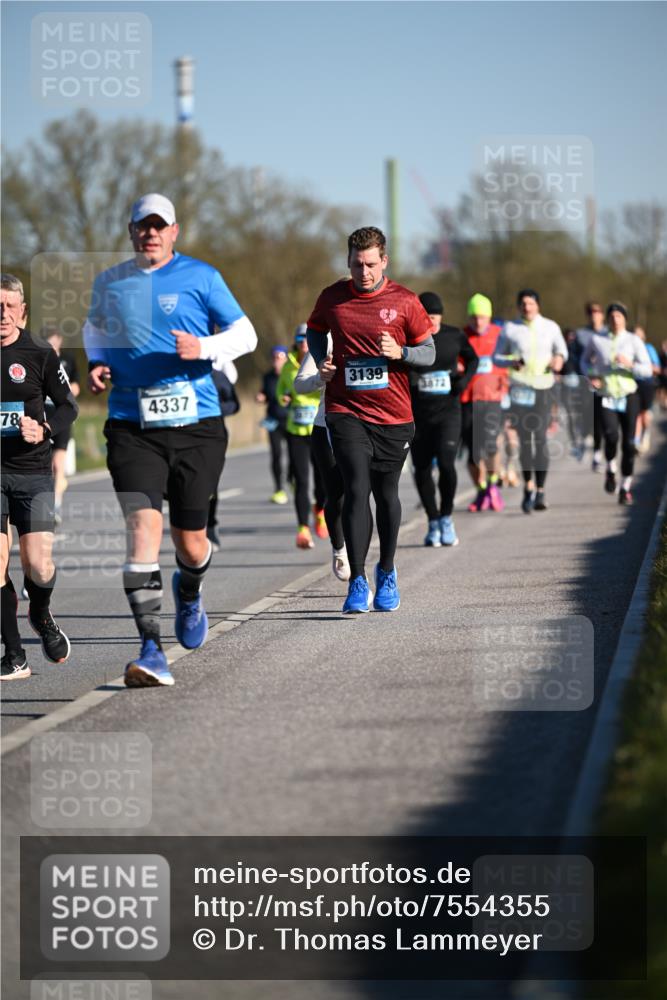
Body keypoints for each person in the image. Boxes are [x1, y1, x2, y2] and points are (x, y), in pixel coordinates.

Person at [84, 192, 257, 687]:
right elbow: (94, 329)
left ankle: (190, 590)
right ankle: (150, 648)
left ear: (175, 231)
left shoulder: (202, 277)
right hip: (132, 425)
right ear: (132, 231)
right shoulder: (110, 282)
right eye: (143, 225)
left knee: (192, 541)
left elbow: (246, 335)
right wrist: (97, 363)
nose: (151, 233)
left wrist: (203, 345)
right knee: (143, 529)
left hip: (197, 425)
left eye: (160, 226)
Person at [306, 226, 435, 614]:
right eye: (357, 264)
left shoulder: (406, 301)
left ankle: (388, 571)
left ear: (385, 262)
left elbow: (429, 352)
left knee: (386, 493)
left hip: (394, 415)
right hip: (345, 410)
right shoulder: (332, 298)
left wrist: (401, 352)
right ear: (347, 261)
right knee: (356, 487)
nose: (363, 272)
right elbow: (315, 331)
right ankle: (358, 581)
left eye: (371, 264)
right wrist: (321, 361)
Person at [1, 274, 78, 680]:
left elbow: (69, 407)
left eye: (10, 306)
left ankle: (41, 612)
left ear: (23, 311)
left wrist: (44, 428)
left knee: (38, 565)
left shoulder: (39, 353)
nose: (2, 314)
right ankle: (15, 656)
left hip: (32, 472)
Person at [410, 291, 477, 546]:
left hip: (449, 411)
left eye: (436, 317)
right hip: (419, 414)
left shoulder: (453, 335)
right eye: (428, 317)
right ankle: (433, 520)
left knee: (447, 465)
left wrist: (463, 383)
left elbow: (473, 359)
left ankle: (447, 517)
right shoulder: (411, 339)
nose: (433, 322)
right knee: (423, 469)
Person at [494, 289, 568, 513]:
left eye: (531, 303)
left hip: (544, 387)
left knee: (541, 439)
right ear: (519, 306)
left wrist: (558, 359)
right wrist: (511, 361)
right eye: (524, 304)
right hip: (520, 390)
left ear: (538, 305)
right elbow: (496, 357)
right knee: (525, 441)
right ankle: (528, 486)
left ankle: (541, 491)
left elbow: (562, 352)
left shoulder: (551, 327)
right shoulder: (510, 328)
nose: (527, 307)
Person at [581, 303, 652, 505]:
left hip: (629, 395)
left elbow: (647, 370)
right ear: (607, 319)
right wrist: (591, 375)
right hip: (606, 395)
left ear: (625, 319)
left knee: (629, 444)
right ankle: (611, 467)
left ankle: (626, 486)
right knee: (611, 435)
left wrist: (630, 364)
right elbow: (584, 362)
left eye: (619, 316)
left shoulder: (633, 340)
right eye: (611, 316)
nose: (615, 319)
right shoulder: (597, 339)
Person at [294, 334, 350, 581]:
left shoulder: (378, 328)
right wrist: (321, 377)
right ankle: (340, 548)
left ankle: (361, 563)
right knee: (335, 495)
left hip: (369, 425)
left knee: (360, 494)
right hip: (326, 426)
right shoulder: (326, 339)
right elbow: (300, 383)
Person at [275, 325, 325, 549]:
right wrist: (283, 398)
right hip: (296, 430)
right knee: (301, 480)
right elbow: (281, 390)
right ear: (294, 341)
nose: (303, 342)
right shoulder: (288, 365)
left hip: (318, 427)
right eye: (299, 338)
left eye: (307, 338)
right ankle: (303, 528)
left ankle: (320, 509)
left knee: (323, 480)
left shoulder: (322, 359)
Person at [460, 294, 508, 513]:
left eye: (482, 317)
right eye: (474, 318)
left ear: (489, 317)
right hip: (468, 399)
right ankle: (481, 489)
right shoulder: (463, 336)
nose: (478, 322)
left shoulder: (500, 336)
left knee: (489, 444)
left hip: (492, 398)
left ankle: (493, 484)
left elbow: (510, 362)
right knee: (472, 452)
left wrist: (506, 387)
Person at [43, 327, 80, 524]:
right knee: (47, 465)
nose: (54, 343)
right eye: (49, 340)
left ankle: (55, 505)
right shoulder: (39, 358)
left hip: (62, 416)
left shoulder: (68, 360)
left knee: (59, 464)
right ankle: (49, 500)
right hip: (44, 415)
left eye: (56, 340)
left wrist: (65, 388)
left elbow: (77, 386)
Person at [206, 358, 240, 552]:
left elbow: (234, 405)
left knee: (211, 483)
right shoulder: (176, 376)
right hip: (184, 436)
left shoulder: (217, 376)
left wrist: (213, 411)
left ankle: (210, 525)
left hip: (215, 434)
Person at [256, 345, 290, 504]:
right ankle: (279, 489)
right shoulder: (268, 377)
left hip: (291, 420)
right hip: (273, 420)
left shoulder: (291, 374)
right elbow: (266, 392)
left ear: (286, 359)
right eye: (275, 357)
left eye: (280, 357)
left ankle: (293, 479)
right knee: (276, 455)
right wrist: (261, 396)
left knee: (295, 456)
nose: (277, 360)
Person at [576, 301, 607, 471]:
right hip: (585, 380)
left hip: (604, 382)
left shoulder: (609, 333)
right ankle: (584, 438)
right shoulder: (581, 334)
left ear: (602, 314)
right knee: (585, 415)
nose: (594, 315)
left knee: (600, 418)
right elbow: (575, 357)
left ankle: (597, 454)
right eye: (591, 312)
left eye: (597, 312)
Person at [559, 328, 586, 460]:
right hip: (566, 386)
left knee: (579, 416)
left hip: (579, 387)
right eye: (568, 336)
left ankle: (582, 439)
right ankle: (575, 442)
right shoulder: (560, 350)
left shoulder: (579, 349)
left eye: (572, 337)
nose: (570, 339)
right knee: (570, 416)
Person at [632, 326, 660, 454]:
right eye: (634, 335)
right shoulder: (629, 350)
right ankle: (636, 441)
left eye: (639, 335)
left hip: (647, 384)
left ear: (643, 337)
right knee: (636, 413)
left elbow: (657, 368)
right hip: (632, 385)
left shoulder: (649, 349)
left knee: (644, 414)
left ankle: (645, 432)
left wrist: (641, 367)